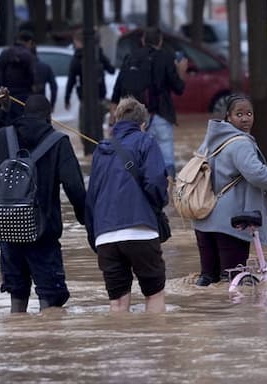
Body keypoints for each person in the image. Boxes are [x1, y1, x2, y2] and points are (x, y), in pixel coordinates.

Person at [0, 89, 87, 313]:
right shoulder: (58, 142)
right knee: (50, 298)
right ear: (48, 117)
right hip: (43, 233)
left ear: (24, 113)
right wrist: (85, 218)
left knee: (17, 294)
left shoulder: (2, 137)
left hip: (8, 230)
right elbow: (74, 186)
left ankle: (18, 342)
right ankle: (45, 344)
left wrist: (2, 112)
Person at [192, 94, 267, 287]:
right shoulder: (240, 143)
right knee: (233, 283)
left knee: (208, 282)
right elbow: (258, 175)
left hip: (203, 221)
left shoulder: (210, 140)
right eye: (239, 114)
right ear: (228, 117)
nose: (246, 118)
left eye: (249, 113)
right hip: (231, 224)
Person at [85, 97, 169, 313]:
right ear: (143, 124)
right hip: (140, 231)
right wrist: (158, 208)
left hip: (105, 236)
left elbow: (92, 196)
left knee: (118, 303)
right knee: (154, 294)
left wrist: (95, 237)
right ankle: (157, 345)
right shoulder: (146, 142)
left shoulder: (101, 150)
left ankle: (121, 344)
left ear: (116, 120)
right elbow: (156, 183)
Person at [110, 27, 187, 180]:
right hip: (160, 114)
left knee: (136, 158)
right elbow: (179, 88)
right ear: (160, 41)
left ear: (143, 40)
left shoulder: (130, 57)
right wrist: (181, 71)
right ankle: (168, 196)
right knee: (166, 160)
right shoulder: (166, 58)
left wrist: (113, 117)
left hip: (133, 118)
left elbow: (117, 89)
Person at [64, 29, 115, 155]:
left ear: (79, 42)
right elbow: (111, 70)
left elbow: (71, 79)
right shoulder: (97, 54)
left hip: (87, 100)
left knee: (85, 128)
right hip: (99, 98)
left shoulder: (77, 58)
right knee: (98, 127)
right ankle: (100, 151)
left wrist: (67, 97)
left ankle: (91, 152)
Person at [0, 30, 36, 121]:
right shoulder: (28, 55)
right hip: (23, 97)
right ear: (29, 42)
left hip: (5, 96)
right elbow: (32, 77)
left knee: (6, 123)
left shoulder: (5, 53)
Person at [32, 44, 57, 111]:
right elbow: (54, 87)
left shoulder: (21, 68)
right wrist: (52, 104)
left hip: (24, 104)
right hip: (41, 103)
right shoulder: (45, 67)